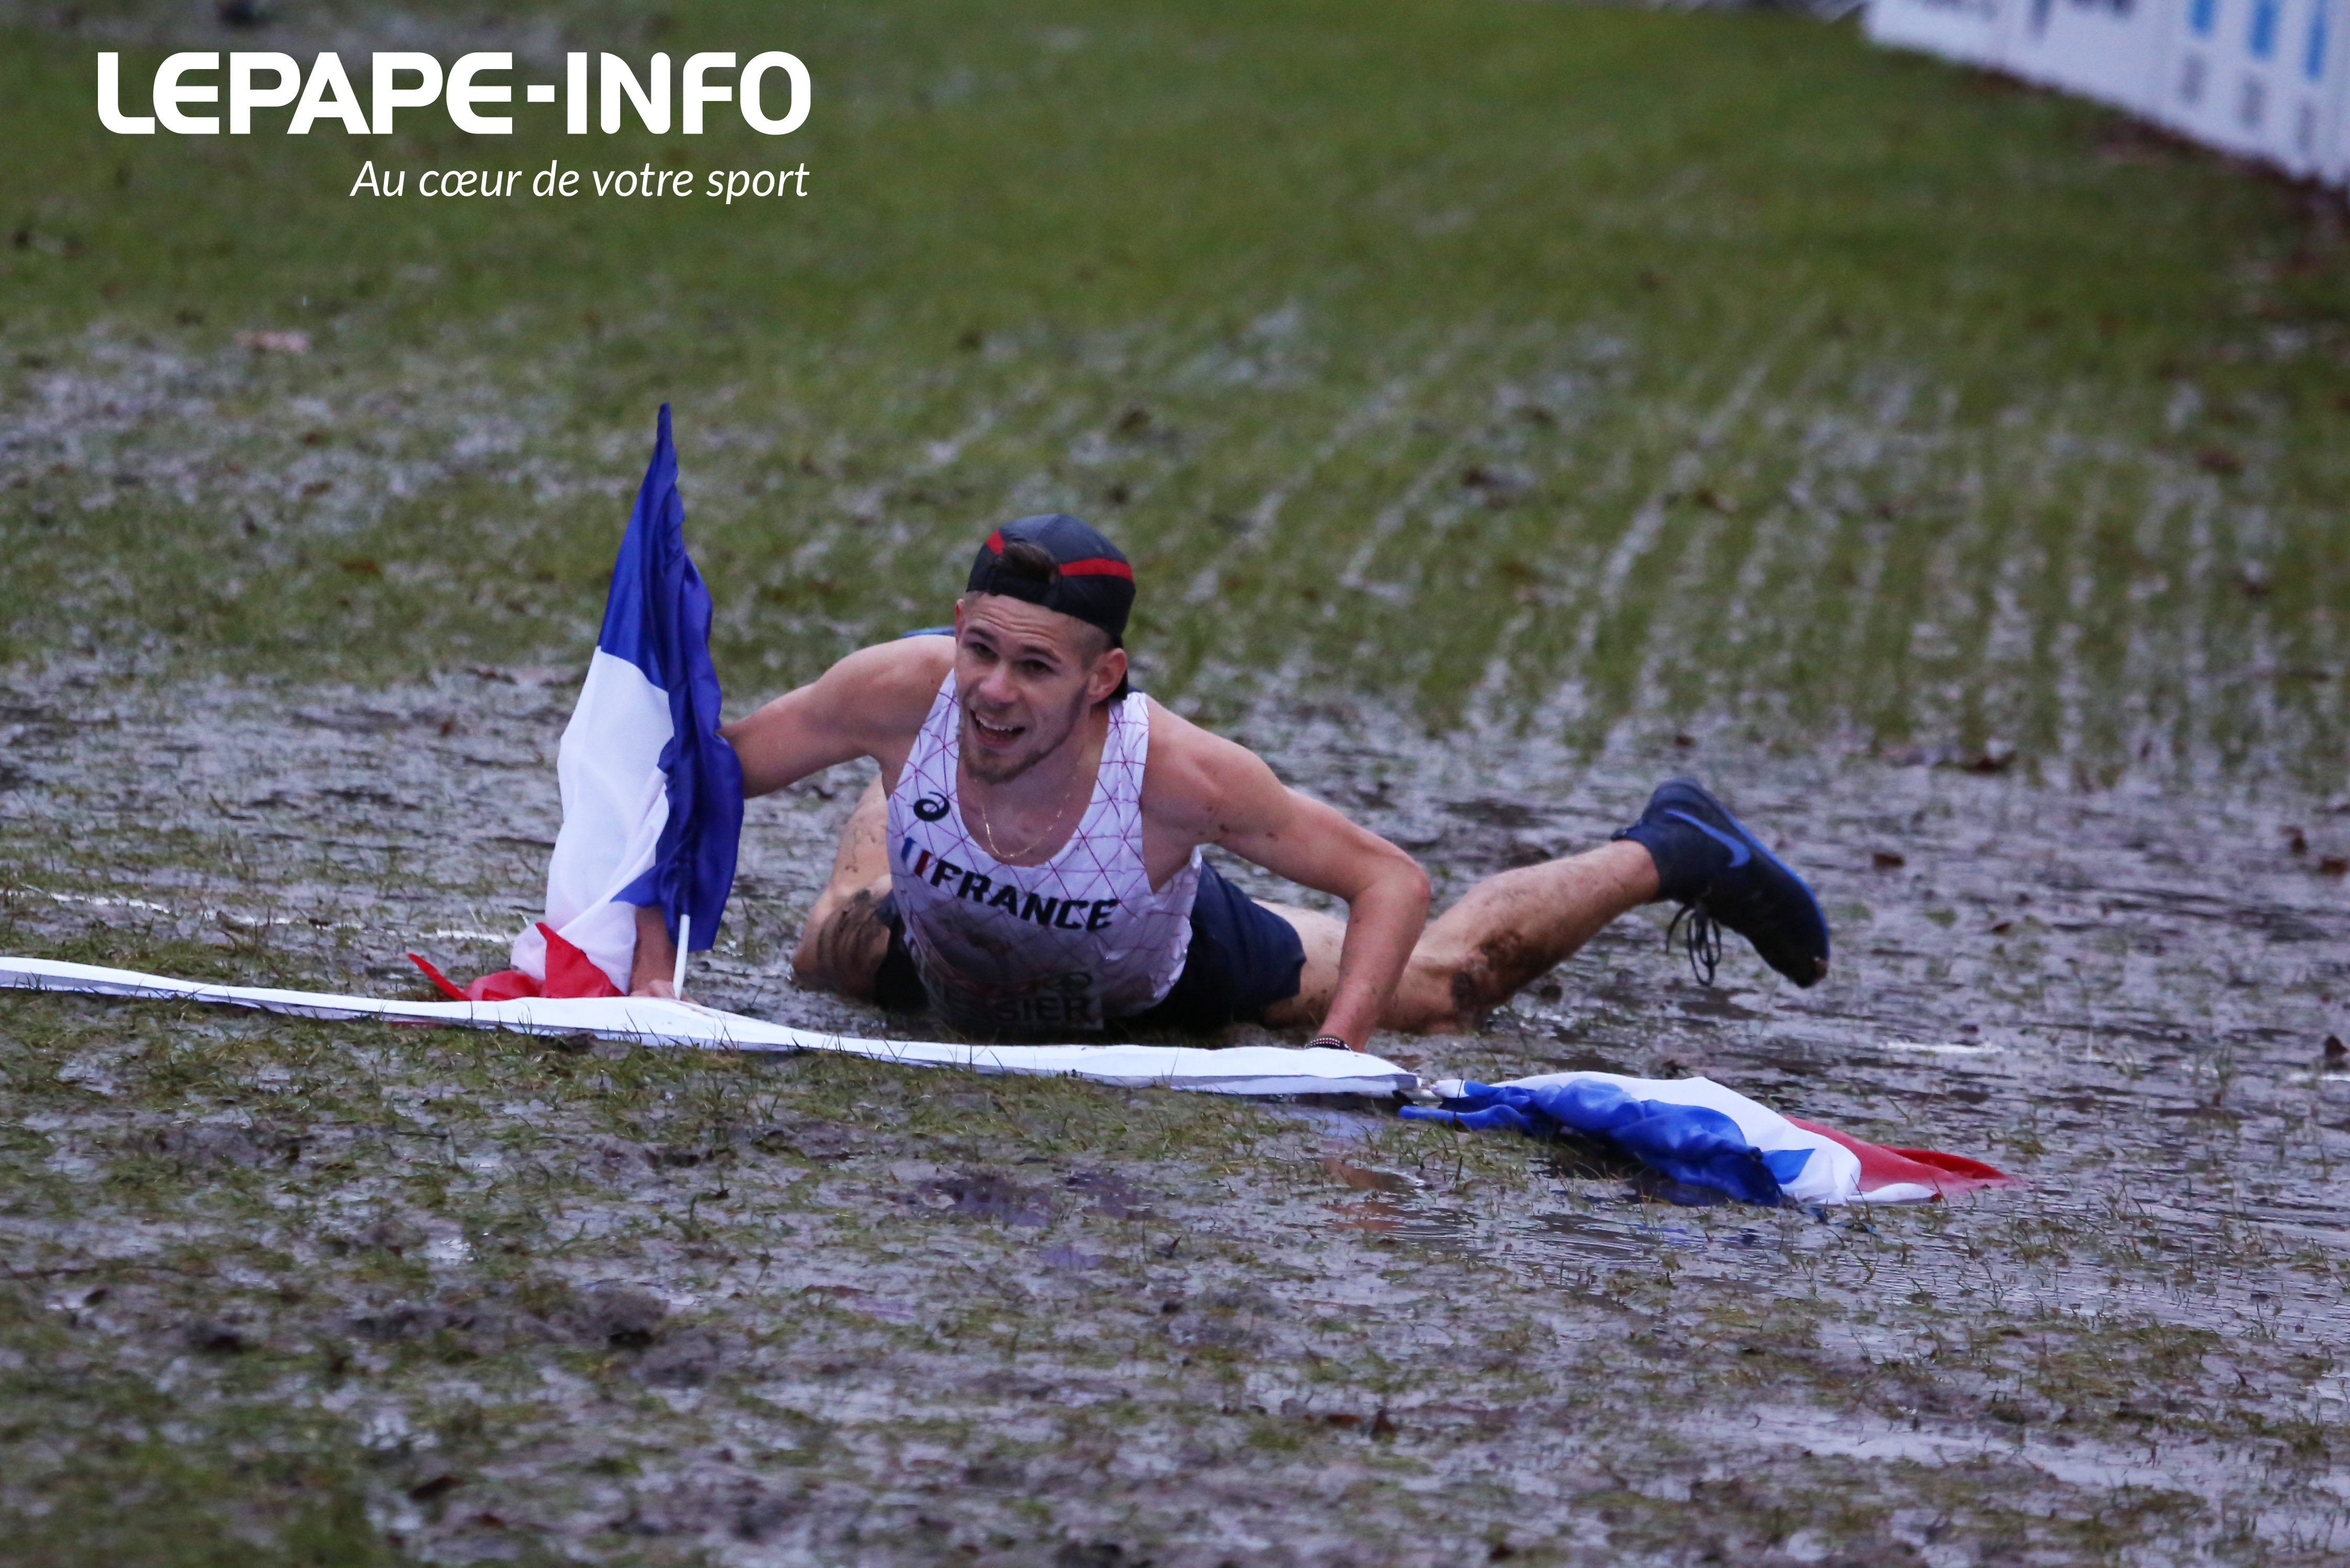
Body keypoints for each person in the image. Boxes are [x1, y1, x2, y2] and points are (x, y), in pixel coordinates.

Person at [629, 514, 1828, 1051]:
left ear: (1107, 679)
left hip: (1163, 967)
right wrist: (638, 970)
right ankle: (908, 802)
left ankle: (1667, 847)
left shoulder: (1181, 775)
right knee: (824, 947)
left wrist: (1341, 1059)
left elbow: (1387, 879)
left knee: (1455, 988)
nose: (992, 688)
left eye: (1035, 669)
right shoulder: (909, 685)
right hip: (951, 953)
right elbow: (710, 776)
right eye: (981, 649)